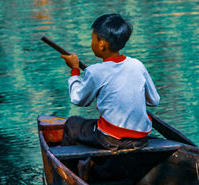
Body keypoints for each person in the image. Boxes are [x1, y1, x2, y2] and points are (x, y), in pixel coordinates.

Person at [60, 13, 160, 151]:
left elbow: (78, 99)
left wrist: (75, 70)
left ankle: (75, 166)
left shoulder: (95, 71)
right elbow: (154, 100)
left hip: (111, 139)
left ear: (101, 44)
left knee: (72, 124)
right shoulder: (137, 65)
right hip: (141, 139)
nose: (92, 43)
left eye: (92, 39)